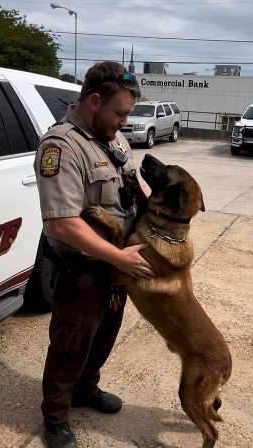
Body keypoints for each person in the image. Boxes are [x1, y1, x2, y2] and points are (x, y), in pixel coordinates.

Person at [33, 61, 155, 448]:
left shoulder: (113, 137)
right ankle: (55, 418)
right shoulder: (61, 146)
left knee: (103, 336)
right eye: (119, 113)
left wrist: (161, 218)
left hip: (117, 266)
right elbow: (62, 223)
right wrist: (118, 258)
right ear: (95, 100)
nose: (124, 122)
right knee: (71, 345)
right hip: (80, 268)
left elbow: (134, 186)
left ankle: (86, 390)